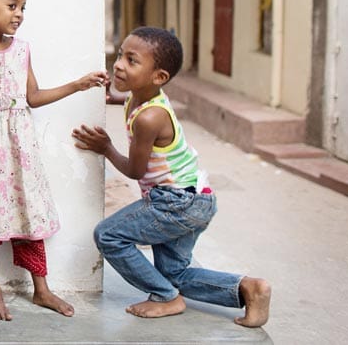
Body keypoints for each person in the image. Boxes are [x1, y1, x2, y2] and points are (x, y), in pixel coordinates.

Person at [72, 26, 272, 327]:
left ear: (159, 77)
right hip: (195, 197)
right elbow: (129, 101)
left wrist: (106, 148)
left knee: (109, 235)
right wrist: (110, 95)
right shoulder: (140, 98)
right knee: (173, 273)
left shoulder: (150, 117)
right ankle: (248, 289)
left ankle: (166, 298)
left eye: (131, 60)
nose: (119, 65)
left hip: (175, 202)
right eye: (120, 55)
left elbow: (135, 171)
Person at [0, 0, 108, 321]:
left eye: (23, 7)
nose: (19, 14)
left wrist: (77, 84)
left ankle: (42, 289)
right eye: (12, 6)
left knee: (29, 213)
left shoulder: (21, 50)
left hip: (19, 154)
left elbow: (32, 97)